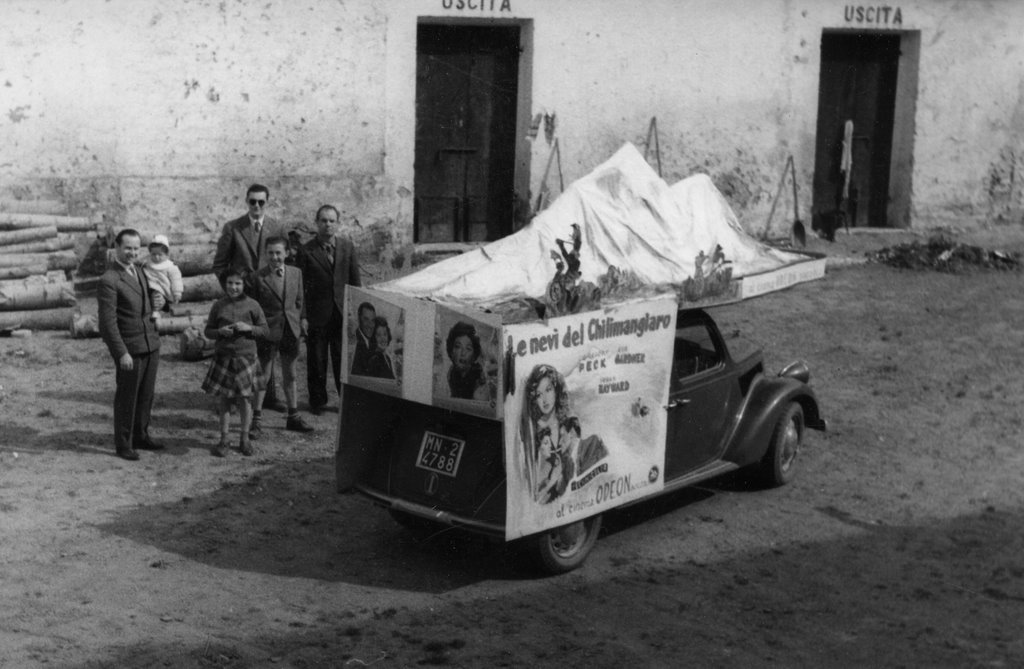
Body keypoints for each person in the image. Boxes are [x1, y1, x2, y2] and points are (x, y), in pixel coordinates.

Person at [212, 183, 286, 412]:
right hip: (242, 298)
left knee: (268, 345)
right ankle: (233, 397)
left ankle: (269, 396)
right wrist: (233, 290)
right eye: (252, 201)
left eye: (261, 202)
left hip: (269, 295)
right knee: (237, 345)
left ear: (267, 202)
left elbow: (283, 261)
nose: (256, 206)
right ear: (246, 201)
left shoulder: (277, 227)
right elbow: (219, 265)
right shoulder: (233, 228)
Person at [97, 228, 166, 461]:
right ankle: (124, 443)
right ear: (116, 248)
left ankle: (140, 435)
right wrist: (121, 353)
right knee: (127, 397)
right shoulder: (110, 279)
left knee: (146, 395)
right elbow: (107, 324)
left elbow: (150, 302)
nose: (132, 253)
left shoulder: (140, 271)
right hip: (130, 350)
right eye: (127, 248)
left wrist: (161, 302)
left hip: (150, 344)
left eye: (136, 249)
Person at [295, 204, 362, 413]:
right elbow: (300, 287)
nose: (327, 225)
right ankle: (317, 401)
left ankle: (346, 401)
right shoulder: (307, 251)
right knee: (317, 359)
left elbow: (355, 282)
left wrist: (356, 311)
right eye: (323, 221)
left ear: (338, 223)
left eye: (332, 221)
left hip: (341, 313)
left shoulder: (347, 247)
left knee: (343, 360)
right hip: (317, 314)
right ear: (317, 223)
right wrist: (303, 316)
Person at [250, 236, 314, 438]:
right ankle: (256, 419)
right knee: (264, 376)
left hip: (290, 330)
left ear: (287, 253)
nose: (275, 257)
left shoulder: (296, 273)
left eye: (278, 253)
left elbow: (300, 301)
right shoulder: (258, 277)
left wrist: (302, 319)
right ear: (265, 254)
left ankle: (293, 416)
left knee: (291, 374)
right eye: (270, 253)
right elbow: (253, 307)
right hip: (268, 332)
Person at [202, 269, 269, 457]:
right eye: (230, 283)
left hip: (246, 357)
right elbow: (208, 331)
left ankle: (244, 438)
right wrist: (220, 332)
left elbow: (265, 330)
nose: (233, 287)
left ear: (244, 285)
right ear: (225, 284)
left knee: (244, 399)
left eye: (238, 283)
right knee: (225, 400)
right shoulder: (218, 305)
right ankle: (224, 438)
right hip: (224, 358)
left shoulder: (253, 305)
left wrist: (249, 328)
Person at [519, 364, 571, 497]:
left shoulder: (566, 423)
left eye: (548, 390)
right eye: (538, 395)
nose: (544, 400)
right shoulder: (533, 429)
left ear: (556, 390)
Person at [140, 234, 183, 323]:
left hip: (162, 287)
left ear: (166, 254)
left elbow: (176, 280)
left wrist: (177, 293)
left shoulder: (170, 267)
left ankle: (156, 311)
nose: (156, 257)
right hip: (148, 285)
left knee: (156, 295)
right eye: (153, 254)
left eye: (160, 254)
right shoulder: (148, 262)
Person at [445, 320, 489, 401]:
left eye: (468, 349)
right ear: (452, 350)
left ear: (474, 355)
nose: (463, 353)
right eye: (458, 346)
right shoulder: (451, 372)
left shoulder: (479, 375)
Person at [349, 301, 376, 377]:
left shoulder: (373, 342)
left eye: (373, 321)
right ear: (359, 318)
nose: (370, 325)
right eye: (366, 319)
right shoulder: (355, 341)